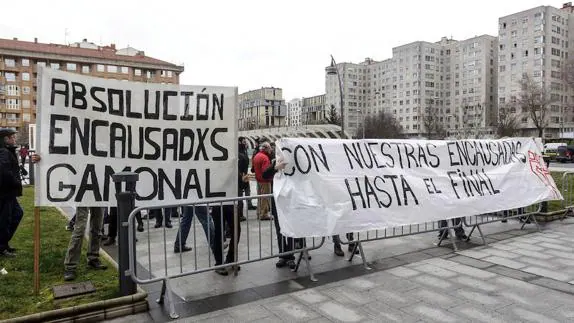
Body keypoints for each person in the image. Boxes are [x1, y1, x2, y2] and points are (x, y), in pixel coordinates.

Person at [0, 128, 24, 257]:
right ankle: (1, 247)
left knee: (17, 214)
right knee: (5, 219)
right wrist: (16, 182)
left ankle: (4, 243)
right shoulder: (3, 151)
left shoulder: (7, 151)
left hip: (8, 193)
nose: (14, 139)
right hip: (5, 193)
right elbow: (5, 171)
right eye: (12, 137)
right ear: (6, 139)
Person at [252, 142, 273, 221]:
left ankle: (259, 212)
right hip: (265, 180)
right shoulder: (265, 158)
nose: (271, 149)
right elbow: (266, 171)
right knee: (265, 197)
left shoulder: (257, 155)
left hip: (259, 179)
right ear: (266, 148)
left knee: (260, 197)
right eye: (269, 148)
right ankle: (264, 214)